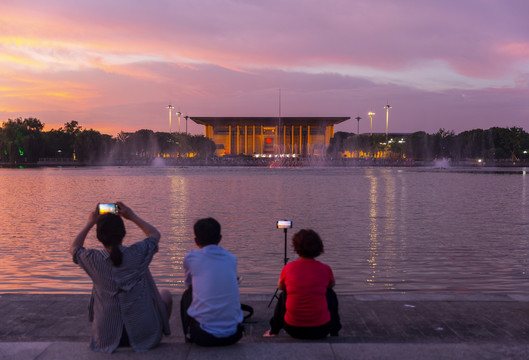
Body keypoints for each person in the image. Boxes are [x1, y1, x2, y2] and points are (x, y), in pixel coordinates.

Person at [70, 202, 172, 353]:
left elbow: (74, 248)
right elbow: (155, 234)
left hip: (106, 339)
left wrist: (90, 222)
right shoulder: (137, 253)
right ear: (123, 233)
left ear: (99, 237)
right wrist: (132, 216)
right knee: (166, 295)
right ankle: (156, 331)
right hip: (144, 337)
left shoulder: (92, 259)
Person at [264, 229, 341, 339]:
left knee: (284, 294)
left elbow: (280, 287)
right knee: (330, 293)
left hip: (293, 328)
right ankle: (334, 332)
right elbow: (331, 285)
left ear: (296, 247)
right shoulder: (325, 268)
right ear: (319, 247)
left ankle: (274, 331)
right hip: (321, 329)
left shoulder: (288, 268)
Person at [180, 217, 244, 346]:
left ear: (196, 241)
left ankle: (188, 337)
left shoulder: (191, 257)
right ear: (220, 238)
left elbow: (189, 285)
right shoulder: (231, 258)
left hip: (203, 337)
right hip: (234, 335)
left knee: (187, 295)